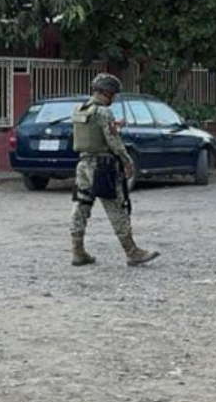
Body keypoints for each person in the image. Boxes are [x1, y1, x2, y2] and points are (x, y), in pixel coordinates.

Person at [69, 73, 160, 268]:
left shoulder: (80, 109)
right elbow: (113, 141)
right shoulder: (103, 112)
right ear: (107, 93)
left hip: (83, 164)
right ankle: (132, 251)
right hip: (102, 166)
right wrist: (127, 160)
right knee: (116, 206)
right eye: (114, 94)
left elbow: (91, 133)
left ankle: (78, 251)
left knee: (81, 206)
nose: (115, 98)